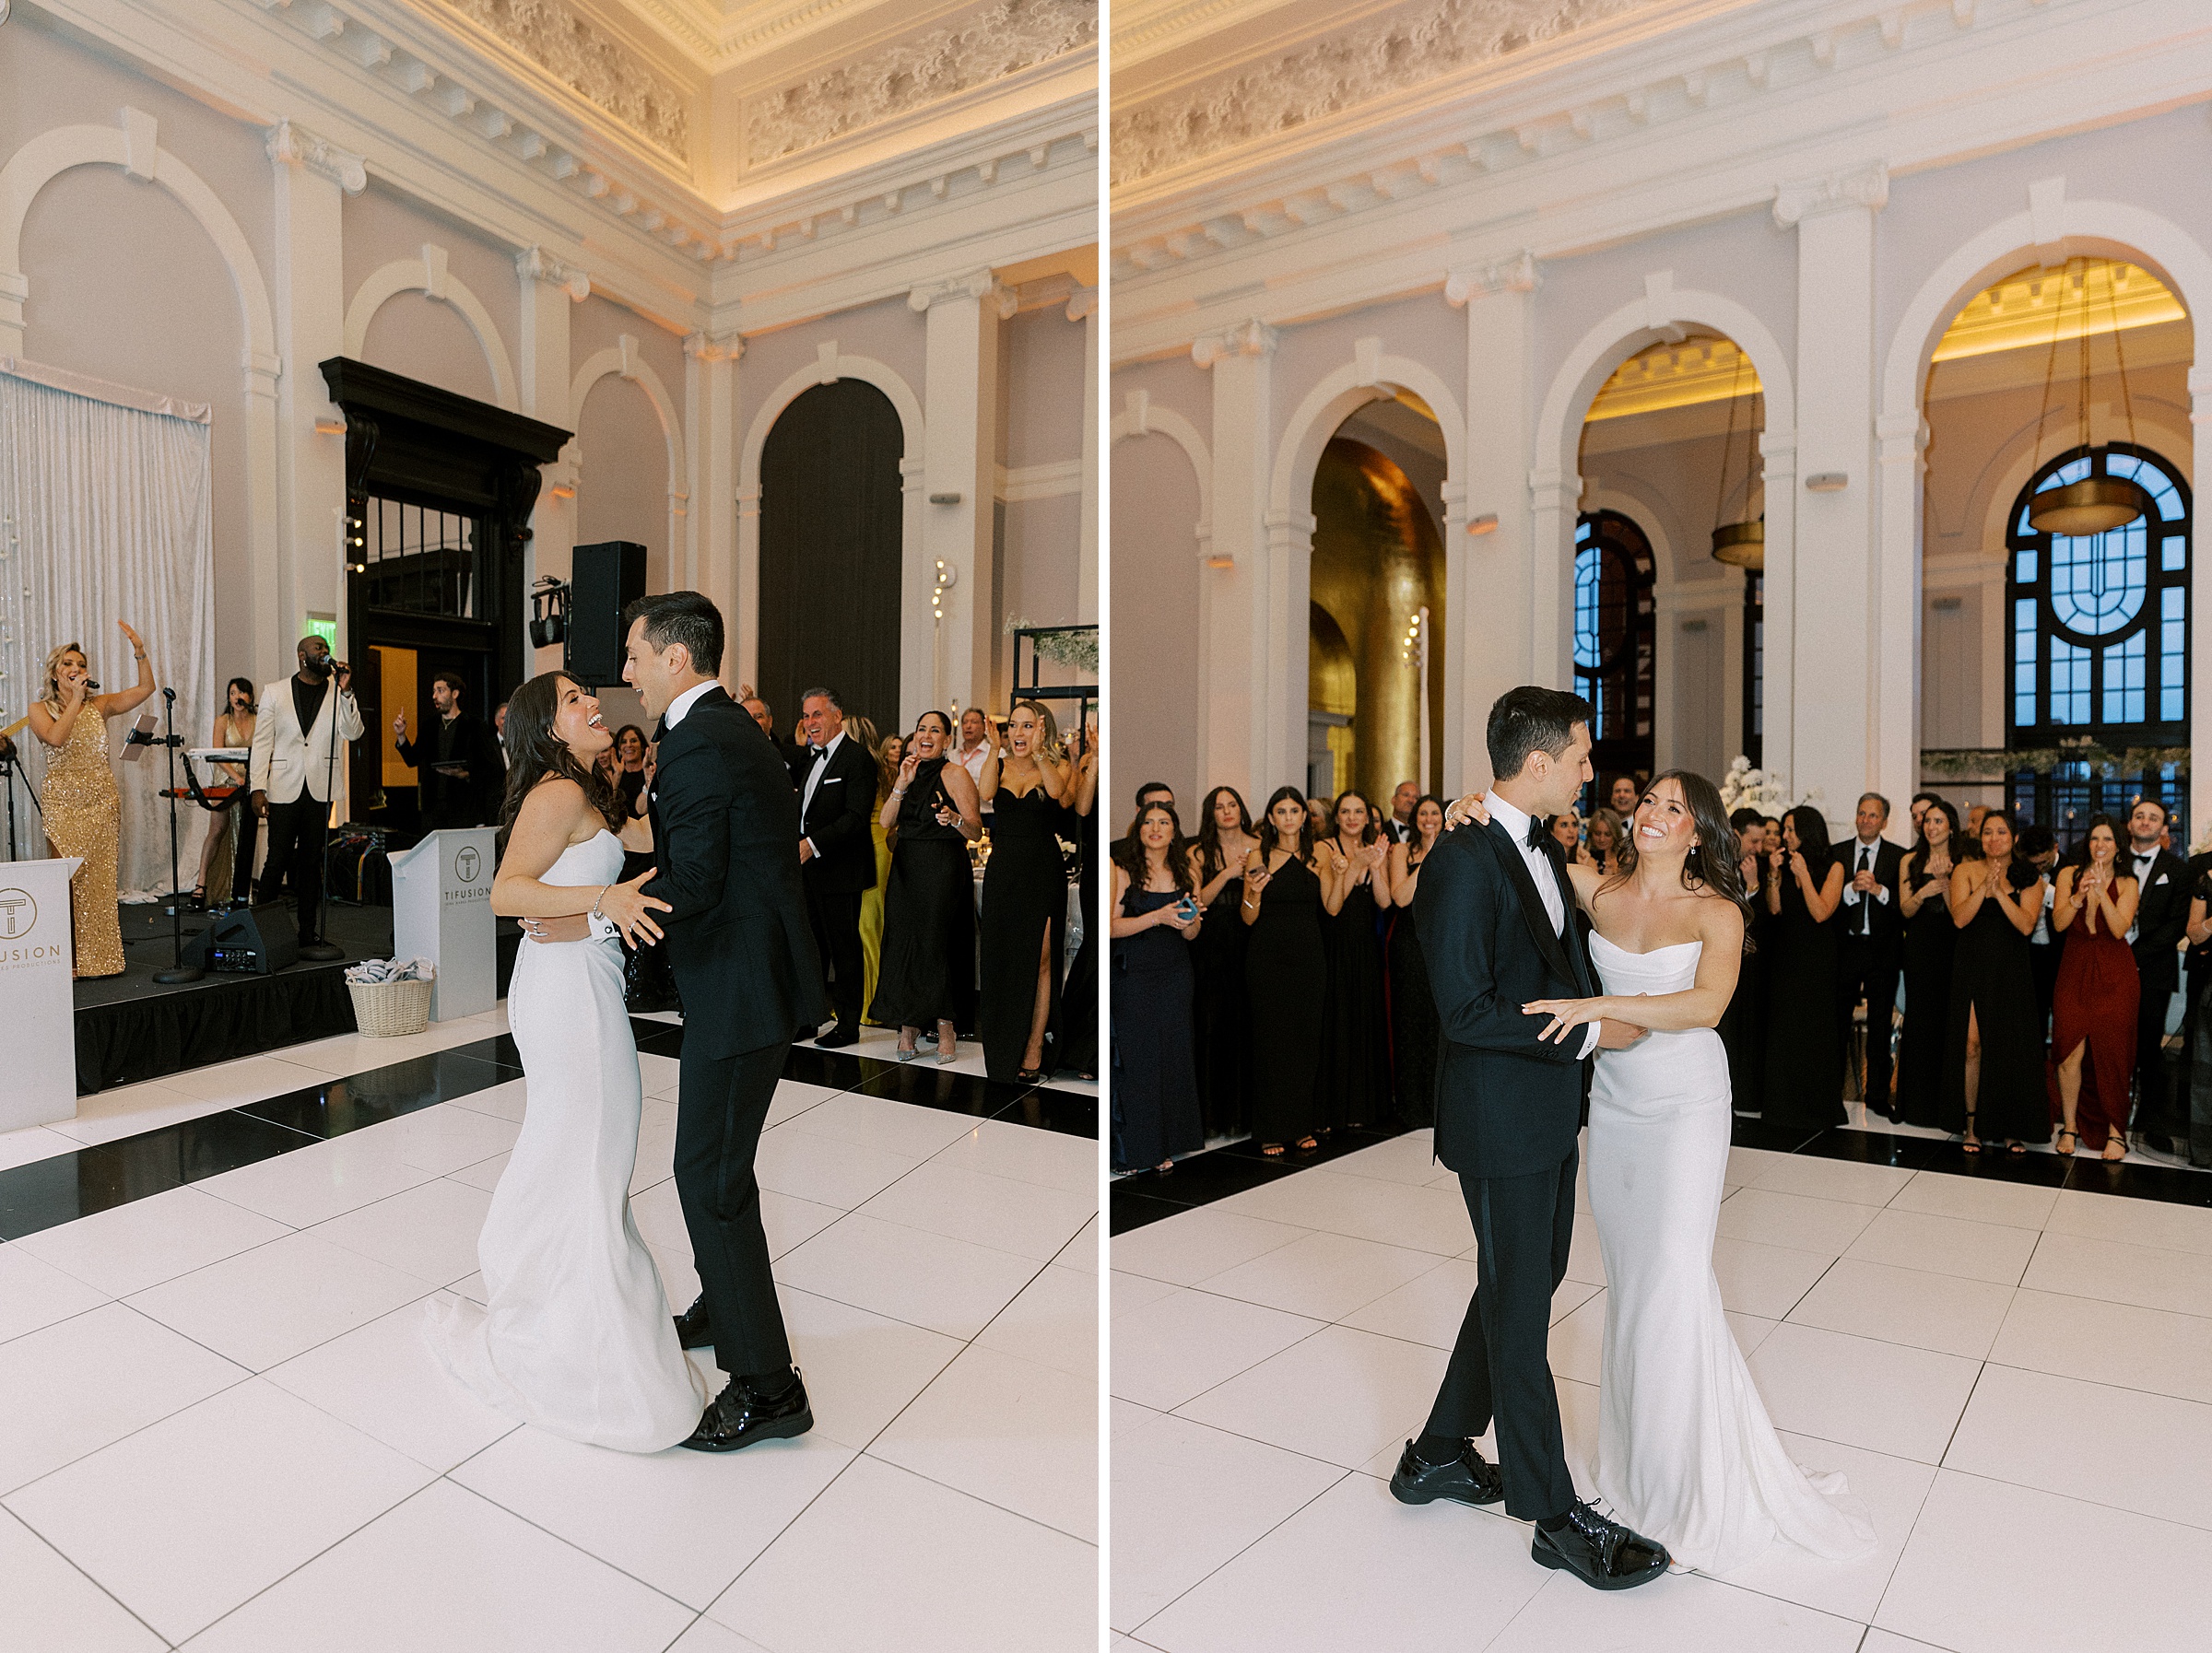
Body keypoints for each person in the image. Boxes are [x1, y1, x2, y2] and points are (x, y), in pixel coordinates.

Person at [1508, 768, 1877, 1577]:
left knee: (1675, 1276)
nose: (1653, 814)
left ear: (1698, 833)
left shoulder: (1719, 912)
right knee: (1634, 1283)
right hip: (1616, 1109)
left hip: (1684, 1107)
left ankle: (1684, 1487)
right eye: (1648, 802)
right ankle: (1637, 1469)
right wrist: (1478, 805)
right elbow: (1522, 839)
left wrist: (1601, 1007)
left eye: (1673, 808)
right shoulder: (1597, 892)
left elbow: (1704, 1006)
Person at [1389, 688, 1672, 1590]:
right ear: (1540, 763)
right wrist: (1592, 1032)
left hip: (1544, 1108)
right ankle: (1554, 1517)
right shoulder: (1464, 864)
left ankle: (1437, 1453)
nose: (1595, 771)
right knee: (1521, 1313)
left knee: (1527, 1280)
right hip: (1499, 1115)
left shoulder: (1540, 844)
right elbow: (1466, 1011)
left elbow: (1560, 953)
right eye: (1584, 756)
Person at [427, 671, 700, 1451]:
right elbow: (505, 895)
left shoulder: (583, 789)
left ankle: (577, 1322)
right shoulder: (555, 792)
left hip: (580, 981)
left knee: (590, 1156)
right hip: (567, 996)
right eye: (576, 699)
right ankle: (580, 1349)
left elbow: (611, 864)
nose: (594, 705)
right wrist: (600, 904)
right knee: (593, 1154)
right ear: (549, 726)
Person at [620, 592, 827, 1451]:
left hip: (742, 989)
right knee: (718, 1169)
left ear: (676, 657)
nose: (624, 671)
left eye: (633, 653)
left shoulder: (699, 738)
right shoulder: (728, 730)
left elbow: (696, 877)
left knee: (707, 1175)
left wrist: (604, 909)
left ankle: (768, 1387)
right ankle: (723, 1301)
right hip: (752, 980)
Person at [29, 626, 154, 978]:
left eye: (81, 664)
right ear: (56, 672)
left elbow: (146, 689)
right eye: (69, 663)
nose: (76, 668)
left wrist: (140, 650)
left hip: (101, 804)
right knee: (65, 883)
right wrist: (74, 702)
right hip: (62, 805)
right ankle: (66, 961)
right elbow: (56, 737)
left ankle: (101, 960)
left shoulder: (101, 705)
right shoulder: (39, 709)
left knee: (99, 883)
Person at [875, 709, 983, 1063]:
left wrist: (953, 819)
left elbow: (976, 831)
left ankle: (946, 1026)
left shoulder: (956, 774)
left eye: (935, 730)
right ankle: (909, 1027)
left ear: (946, 740)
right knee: (904, 942)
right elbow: (887, 822)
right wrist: (901, 784)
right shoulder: (906, 772)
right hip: (906, 869)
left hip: (943, 868)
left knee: (938, 944)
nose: (926, 735)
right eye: (922, 729)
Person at [249, 634, 363, 959]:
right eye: (318, 649)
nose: (324, 653)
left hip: (320, 788)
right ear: (302, 655)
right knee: (277, 860)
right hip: (284, 787)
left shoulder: (337, 692)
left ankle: (307, 933)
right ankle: (262, 931)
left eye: (326, 649)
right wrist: (257, 787)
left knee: (312, 864)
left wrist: (346, 692)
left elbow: (353, 732)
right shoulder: (275, 692)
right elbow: (262, 743)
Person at [1242, 786, 1343, 1155]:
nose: (1288, 817)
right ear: (1271, 818)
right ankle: (1271, 1128)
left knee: (1305, 1041)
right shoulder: (1259, 854)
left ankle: (1301, 1125)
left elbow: (1332, 909)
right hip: (1267, 957)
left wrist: (1345, 873)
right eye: (1281, 811)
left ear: (1304, 816)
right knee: (1271, 1042)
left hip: (1308, 957)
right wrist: (1252, 890)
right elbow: (1248, 916)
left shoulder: (1321, 851)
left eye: (1294, 811)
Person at [1943, 810, 2048, 1153]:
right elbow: (1959, 919)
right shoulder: (1965, 870)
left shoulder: (2029, 876)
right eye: (1988, 832)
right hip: (1972, 964)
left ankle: (2009, 1127)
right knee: (1972, 1046)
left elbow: (2026, 925)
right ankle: (1971, 1124)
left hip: (2011, 968)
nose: (1993, 839)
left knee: (2008, 1047)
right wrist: (1983, 890)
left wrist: (2001, 894)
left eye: (2001, 832)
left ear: (2014, 838)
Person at [977, 700, 1071, 1080]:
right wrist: (994, 751)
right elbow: (985, 793)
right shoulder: (998, 765)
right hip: (1003, 871)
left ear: (1041, 730)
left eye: (1027, 726)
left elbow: (1057, 791)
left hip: (1042, 869)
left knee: (1042, 958)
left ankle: (1034, 1046)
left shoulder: (1059, 764)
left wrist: (1038, 755)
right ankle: (1002, 1045)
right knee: (1001, 957)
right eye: (1013, 725)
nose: (1018, 732)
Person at [1111, 801, 1205, 1172]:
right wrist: (1157, 917)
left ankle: (1170, 1141)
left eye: (1163, 822)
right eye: (1148, 822)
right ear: (1139, 829)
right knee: (1140, 1059)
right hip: (1135, 973)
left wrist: (1190, 919)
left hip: (1176, 973)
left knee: (1173, 1056)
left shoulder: (1188, 871)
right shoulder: (1122, 871)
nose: (1155, 828)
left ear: (1173, 831)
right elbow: (1111, 928)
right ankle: (1139, 1147)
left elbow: (1194, 933)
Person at [789, 688, 879, 1048]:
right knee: (812, 948)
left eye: (817, 715)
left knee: (844, 948)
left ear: (837, 716)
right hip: (808, 873)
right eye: (807, 716)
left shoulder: (857, 759)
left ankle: (848, 1024)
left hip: (840, 871)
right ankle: (812, 1017)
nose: (811, 723)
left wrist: (811, 846)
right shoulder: (811, 760)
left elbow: (856, 818)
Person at [2047, 815, 2140, 1160]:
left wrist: (2102, 894)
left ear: (2119, 848)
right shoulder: (2067, 875)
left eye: (2108, 840)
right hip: (2074, 966)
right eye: (2094, 839)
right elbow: (2058, 924)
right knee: (2069, 1047)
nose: (2100, 845)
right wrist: (2076, 897)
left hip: (2115, 972)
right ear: (2087, 843)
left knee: (2113, 1052)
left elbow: (2118, 930)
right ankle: (2069, 1126)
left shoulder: (2128, 882)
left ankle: (2117, 1131)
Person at [1761, 804, 1846, 1130]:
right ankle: (1784, 1106)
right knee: (1785, 1030)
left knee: (1815, 1030)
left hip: (1818, 959)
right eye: (1785, 829)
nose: (1785, 836)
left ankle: (1818, 1108)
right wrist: (1774, 875)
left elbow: (1822, 911)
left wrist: (1804, 876)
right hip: (1787, 956)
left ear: (1808, 832)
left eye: (1791, 829)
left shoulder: (1834, 867)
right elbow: (1775, 908)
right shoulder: (1784, 863)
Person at [1317, 790, 1392, 1129]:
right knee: (1338, 1019)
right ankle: (1333, 1109)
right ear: (1337, 817)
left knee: (1364, 1018)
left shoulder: (1376, 848)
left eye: (1358, 811)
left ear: (1367, 817)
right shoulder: (1325, 848)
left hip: (1366, 946)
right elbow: (1332, 907)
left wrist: (1375, 866)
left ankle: (1363, 1107)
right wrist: (1354, 867)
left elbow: (1385, 901)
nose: (1351, 818)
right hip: (1335, 944)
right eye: (1345, 811)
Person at [1189, 785, 1258, 1140]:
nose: (1227, 811)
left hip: (1248, 940)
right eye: (1219, 806)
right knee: (1211, 1025)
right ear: (1210, 813)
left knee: (1244, 1024)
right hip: (1210, 944)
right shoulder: (1198, 852)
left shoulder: (1258, 845)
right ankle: (1212, 1115)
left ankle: (1243, 1115)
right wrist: (1229, 873)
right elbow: (1196, 900)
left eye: (1232, 805)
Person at [1831, 792, 1905, 1120]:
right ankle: (1830, 1089)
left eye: (1873, 815)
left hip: (1882, 952)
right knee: (1836, 1022)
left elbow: (1903, 909)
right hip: (1846, 950)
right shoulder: (1837, 854)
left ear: (1884, 821)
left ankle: (1877, 1093)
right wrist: (1851, 891)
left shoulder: (1898, 857)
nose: (1865, 820)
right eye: (1861, 813)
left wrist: (1878, 890)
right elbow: (1829, 905)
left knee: (1879, 1026)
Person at [2124, 798, 2191, 1153]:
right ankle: (2110, 1116)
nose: (2146, 822)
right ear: (2129, 824)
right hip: (2110, 969)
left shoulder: (2178, 871)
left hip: (2153, 972)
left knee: (2149, 1049)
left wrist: (2131, 956)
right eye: (2140, 816)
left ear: (2164, 829)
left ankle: (2149, 1126)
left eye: (2153, 818)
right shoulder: (2112, 861)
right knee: (2112, 1042)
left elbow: (2175, 926)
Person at [1897, 799, 1962, 1128]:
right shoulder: (1910, 860)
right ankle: (1916, 1106)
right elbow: (1905, 910)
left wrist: (1947, 884)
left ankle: (1947, 1106)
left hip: (1952, 948)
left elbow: (1960, 917)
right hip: (1920, 948)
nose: (1931, 827)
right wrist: (1925, 892)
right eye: (1928, 821)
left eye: (1938, 821)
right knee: (1919, 1021)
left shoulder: (1963, 860)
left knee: (1950, 1022)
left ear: (1951, 825)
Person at [1386, 793, 1446, 1129]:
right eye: (1423, 813)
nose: (1428, 818)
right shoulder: (1401, 851)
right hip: (1410, 943)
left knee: (1440, 1023)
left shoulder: (1456, 850)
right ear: (1415, 820)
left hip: (1443, 943)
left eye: (1434, 813)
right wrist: (1430, 858)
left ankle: (1439, 1103)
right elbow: (1401, 895)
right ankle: (1411, 1106)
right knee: (1410, 1021)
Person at [393, 670, 503, 828]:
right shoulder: (429, 725)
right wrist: (401, 735)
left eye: (440, 690)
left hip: (463, 808)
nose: (434, 697)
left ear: (455, 693)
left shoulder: (474, 725)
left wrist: (465, 774)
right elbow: (412, 759)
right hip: (433, 808)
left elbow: (490, 767)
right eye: (433, 692)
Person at [1056, 712, 1101, 1080]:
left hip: (1130, 859)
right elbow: (1083, 809)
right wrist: (1094, 760)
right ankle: (1084, 1050)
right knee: (1095, 951)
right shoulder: (1089, 762)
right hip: (1098, 865)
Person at [1718, 809, 1768, 1117]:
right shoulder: (1714, 860)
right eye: (1754, 840)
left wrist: (1754, 887)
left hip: (1747, 961)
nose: (1758, 848)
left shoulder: (1754, 867)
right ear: (1736, 834)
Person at [195, 676, 256, 908]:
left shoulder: (257, 720)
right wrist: (236, 777)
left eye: (241, 692)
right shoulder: (222, 721)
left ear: (250, 697)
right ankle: (201, 883)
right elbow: (217, 753)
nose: (236, 697)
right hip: (226, 780)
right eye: (232, 693)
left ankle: (240, 890)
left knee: (245, 833)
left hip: (250, 782)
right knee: (217, 830)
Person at [858, 727, 899, 1024]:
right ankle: (870, 999)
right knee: (872, 924)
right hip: (877, 843)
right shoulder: (882, 767)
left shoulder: (867, 766)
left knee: (868, 925)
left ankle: (872, 1005)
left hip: (873, 843)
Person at [2019, 823, 2063, 1038]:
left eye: (2043, 863)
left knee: (2063, 1016)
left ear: (2055, 848)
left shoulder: (2070, 868)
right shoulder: (2021, 870)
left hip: (2061, 955)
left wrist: (2045, 890)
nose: (2038, 868)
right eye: (2033, 864)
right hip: (2030, 953)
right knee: (2032, 1017)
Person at [1584, 805, 1626, 875]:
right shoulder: (1583, 858)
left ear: (1616, 835)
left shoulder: (1624, 861)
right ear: (1591, 834)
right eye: (1597, 834)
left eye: (1608, 834)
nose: (1602, 839)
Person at [1381, 780, 1420, 844]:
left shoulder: (1422, 832)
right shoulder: (1380, 830)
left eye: (1416, 798)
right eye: (1406, 795)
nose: (1411, 800)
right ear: (1394, 800)